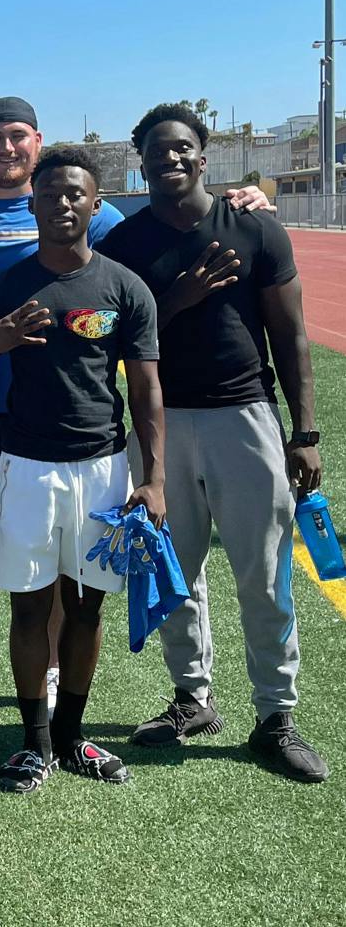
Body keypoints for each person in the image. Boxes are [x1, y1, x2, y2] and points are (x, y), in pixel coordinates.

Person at [0, 97, 275, 710]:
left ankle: (52, 674)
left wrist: (244, 197)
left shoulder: (87, 212)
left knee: (64, 562)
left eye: (18, 136)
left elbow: (151, 238)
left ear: (37, 141)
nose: (7, 148)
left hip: (62, 422)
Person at [98, 103, 328, 783]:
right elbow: (114, 337)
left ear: (203, 157)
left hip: (243, 417)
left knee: (264, 572)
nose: (169, 159)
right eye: (156, 151)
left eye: (182, 149)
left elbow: (290, 337)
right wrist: (176, 296)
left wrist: (304, 433)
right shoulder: (124, 245)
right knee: (174, 569)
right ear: (139, 163)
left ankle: (275, 713)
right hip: (160, 422)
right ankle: (192, 697)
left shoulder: (253, 227)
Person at [0, 148, 164, 792]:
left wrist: (151, 477)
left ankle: (73, 736)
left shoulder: (124, 287)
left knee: (85, 612)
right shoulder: (11, 285)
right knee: (29, 609)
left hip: (103, 471)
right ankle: (34, 743)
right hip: (26, 468)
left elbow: (148, 392)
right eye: (50, 195)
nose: (62, 204)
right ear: (35, 203)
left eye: (75, 194)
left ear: (96, 204)